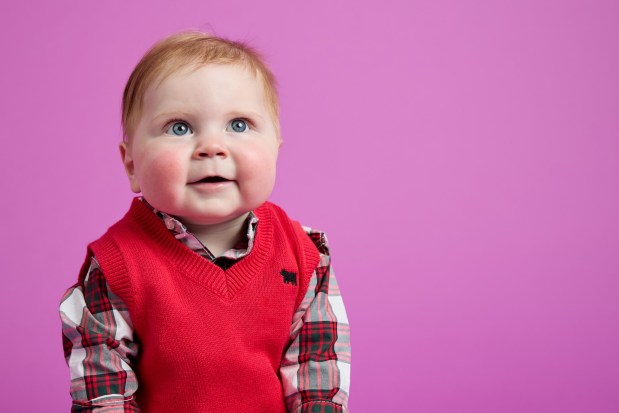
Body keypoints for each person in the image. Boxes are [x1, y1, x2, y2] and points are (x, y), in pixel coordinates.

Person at [59, 31, 350, 413]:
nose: (212, 147)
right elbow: (104, 392)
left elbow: (319, 374)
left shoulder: (304, 255)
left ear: (276, 150)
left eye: (239, 125)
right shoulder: (116, 267)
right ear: (131, 164)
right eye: (179, 127)